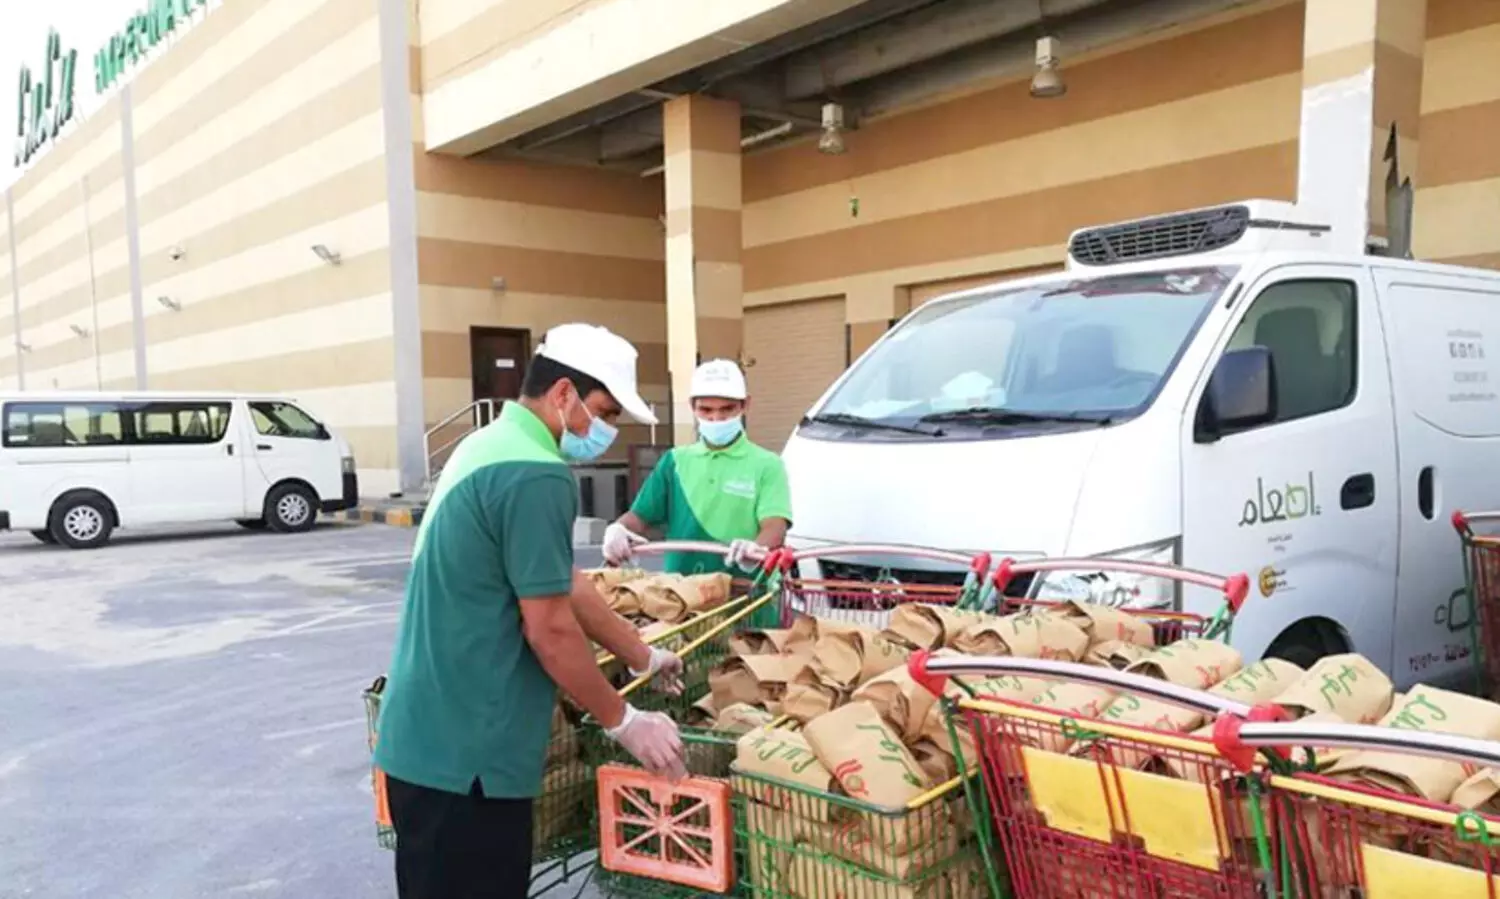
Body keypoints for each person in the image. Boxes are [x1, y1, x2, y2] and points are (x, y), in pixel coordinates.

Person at [374, 323, 689, 899]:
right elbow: (548, 627)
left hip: (426, 741)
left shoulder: (488, 445)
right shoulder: (535, 473)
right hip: (468, 760)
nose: (609, 432)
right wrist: (625, 721)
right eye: (606, 412)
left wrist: (642, 654)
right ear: (563, 394)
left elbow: (562, 583)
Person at [603, 358, 792, 575]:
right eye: (706, 409)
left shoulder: (767, 464)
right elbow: (640, 515)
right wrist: (619, 529)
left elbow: (775, 526)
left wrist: (758, 548)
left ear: (745, 405)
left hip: (747, 594)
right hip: (681, 594)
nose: (716, 418)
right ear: (692, 406)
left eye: (727, 409)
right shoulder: (674, 461)